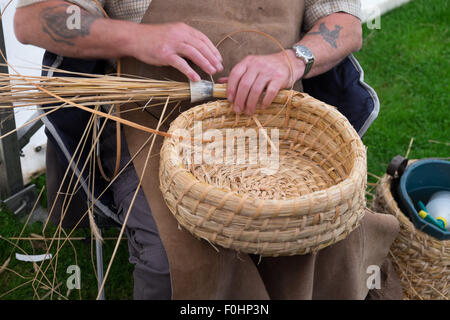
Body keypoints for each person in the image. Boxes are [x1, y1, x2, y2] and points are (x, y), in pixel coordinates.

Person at [14, 0, 402, 299]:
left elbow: (345, 24)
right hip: (155, 124)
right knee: (178, 259)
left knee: (328, 232)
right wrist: (138, 38)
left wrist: (293, 59)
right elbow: (31, 19)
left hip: (277, 121)